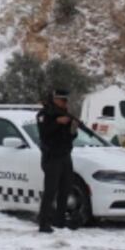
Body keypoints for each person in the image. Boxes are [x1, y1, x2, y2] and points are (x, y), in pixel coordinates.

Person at [36, 88, 78, 233]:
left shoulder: (65, 114)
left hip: (65, 155)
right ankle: (44, 223)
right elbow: (44, 134)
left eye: (66, 100)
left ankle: (59, 220)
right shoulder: (44, 114)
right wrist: (57, 122)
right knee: (50, 191)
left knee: (65, 189)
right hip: (52, 156)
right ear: (55, 99)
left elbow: (67, 137)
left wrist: (73, 130)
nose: (65, 103)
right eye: (62, 100)